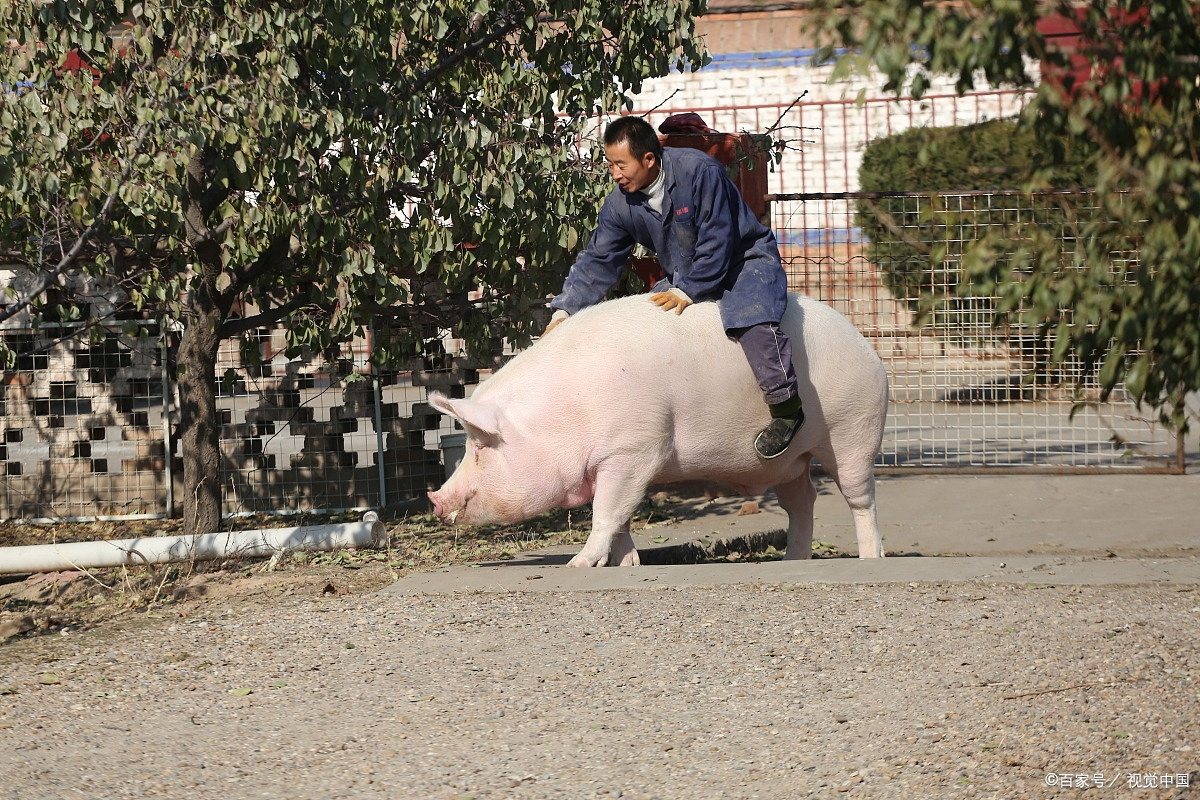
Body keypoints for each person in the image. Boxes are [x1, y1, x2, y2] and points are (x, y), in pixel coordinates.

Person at [544, 115, 804, 459]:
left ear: (648, 159)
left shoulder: (700, 171)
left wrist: (690, 289)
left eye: (620, 164)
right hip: (688, 274)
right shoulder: (621, 203)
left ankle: (787, 409)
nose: (614, 173)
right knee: (642, 321)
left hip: (744, 261)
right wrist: (565, 310)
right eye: (610, 164)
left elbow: (719, 238)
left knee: (752, 320)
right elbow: (598, 259)